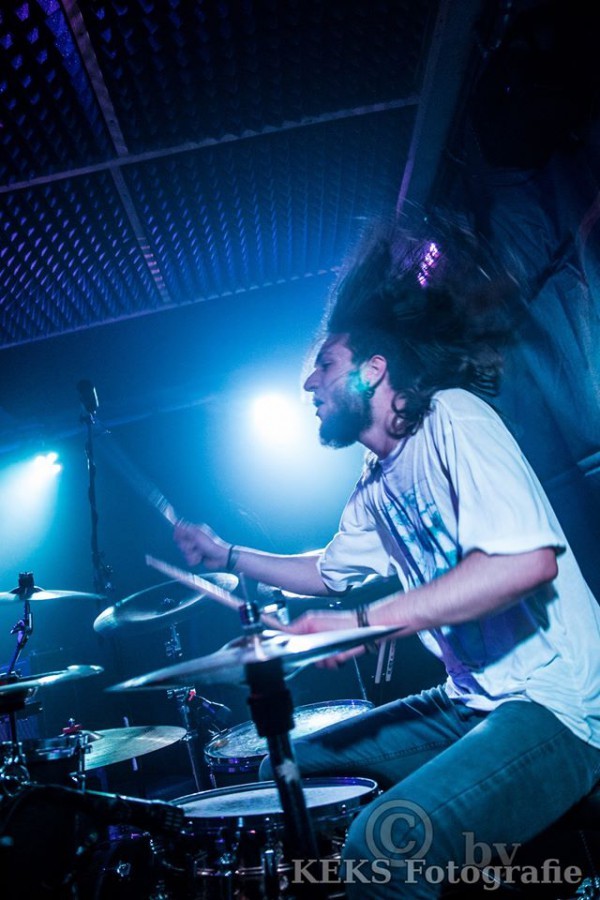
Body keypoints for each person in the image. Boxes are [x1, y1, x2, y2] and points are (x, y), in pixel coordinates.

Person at [173, 220, 600, 898]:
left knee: (381, 846)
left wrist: (359, 624)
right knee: (285, 770)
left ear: (373, 370)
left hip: (560, 705)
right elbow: (327, 571)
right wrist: (226, 554)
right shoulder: (375, 483)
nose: (309, 382)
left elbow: (524, 565)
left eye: (325, 365)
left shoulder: (453, 418)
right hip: (469, 700)